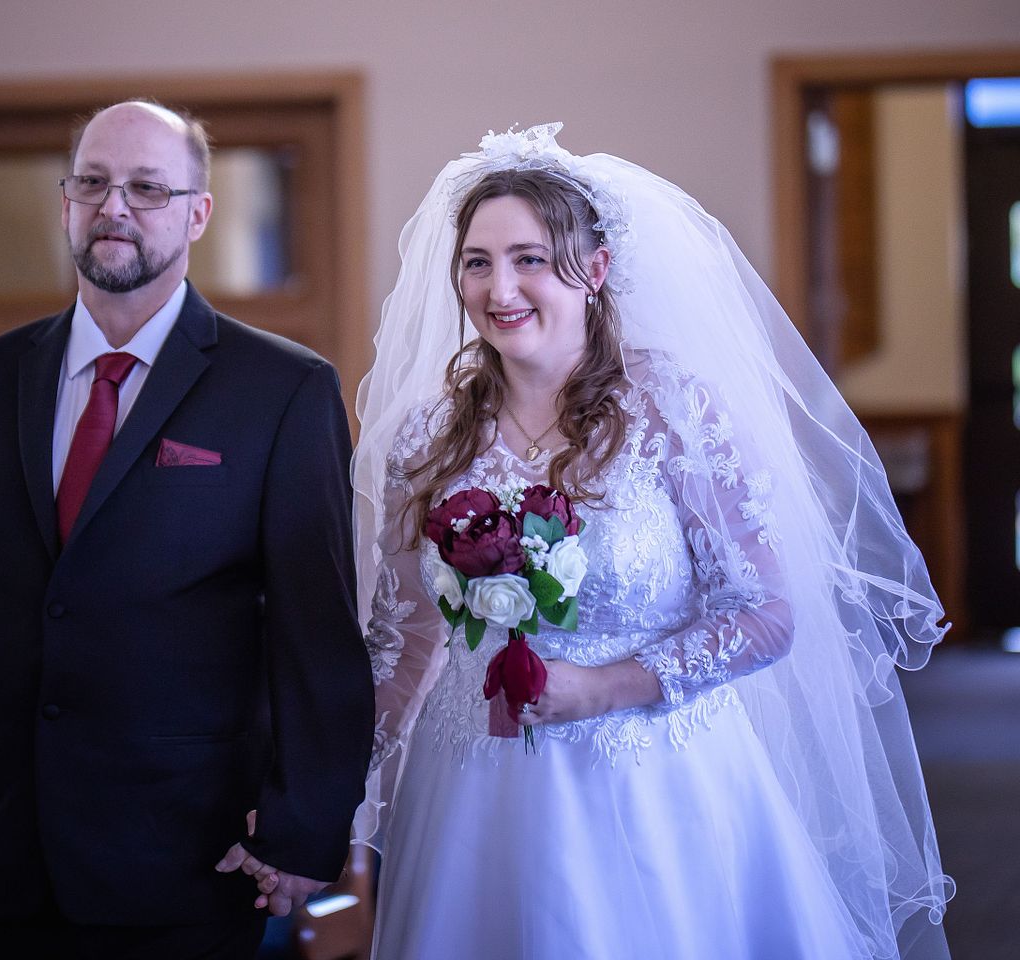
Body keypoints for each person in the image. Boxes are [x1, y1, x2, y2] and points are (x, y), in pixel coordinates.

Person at [352, 124, 953, 959]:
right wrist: (346, 801)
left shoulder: (669, 407)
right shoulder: (428, 434)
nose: (500, 287)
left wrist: (607, 687)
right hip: (471, 795)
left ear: (593, 272)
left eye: (530, 258)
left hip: (651, 786)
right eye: (479, 262)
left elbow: (767, 613)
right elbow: (405, 636)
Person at [0, 99, 374, 960]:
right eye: (93, 183)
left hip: (189, 853)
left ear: (198, 213)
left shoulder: (282, 391)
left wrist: (303, 829)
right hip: (9, 849)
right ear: (66, 201)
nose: (115, 207)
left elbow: (317, 634)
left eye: (146, 187)